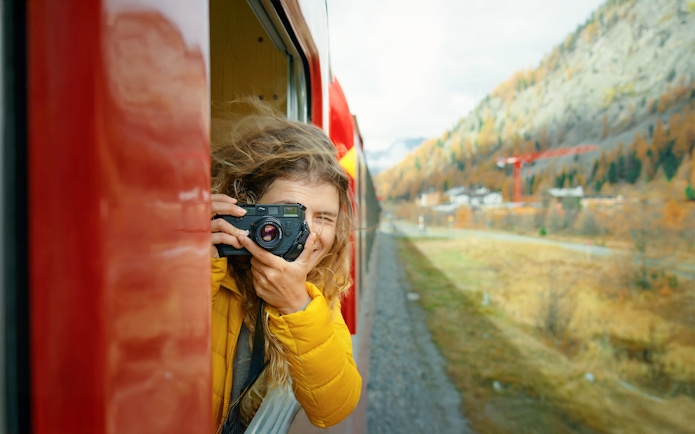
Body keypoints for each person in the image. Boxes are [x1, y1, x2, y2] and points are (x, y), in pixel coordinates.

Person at [209, 102, 362, 433]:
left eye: (323, 218)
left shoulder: (317, 288)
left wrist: (297, 307)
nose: (307, 235)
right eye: (286, 215)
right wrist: (186, 258)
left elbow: (334, 408)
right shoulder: (207, 263)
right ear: (243, 208)